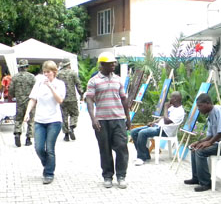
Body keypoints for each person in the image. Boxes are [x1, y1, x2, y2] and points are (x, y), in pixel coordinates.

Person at [85, 52, 131, 189]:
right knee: (105, 149)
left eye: (114, 63)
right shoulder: (93, 81)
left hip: (118, 119)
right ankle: (107, 176)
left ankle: (121, 176)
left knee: (122, 147)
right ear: (102, 65)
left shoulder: (118, 79)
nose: (114, 65)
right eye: (111, 63)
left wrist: (128, 118)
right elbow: (89, 99)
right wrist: (93, 119)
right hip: (102, 121)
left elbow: (124, 99)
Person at [23, 61, 66, 184]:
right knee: (39, 147)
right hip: (40, 120)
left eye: (48, 72)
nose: (46, 74)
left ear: (54, 72)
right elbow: (33, 99)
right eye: (44, 72)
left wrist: (51, 87)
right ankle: (48, 165)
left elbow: (60, 100)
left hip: (54, 120)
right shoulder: (39, 83)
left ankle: (49, 173)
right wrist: (27, 113)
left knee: (50, 147)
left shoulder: (59, 84)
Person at [183, 93, 221, 192]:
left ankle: (206, 183)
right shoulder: (210, 115)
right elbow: (210, 135)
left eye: (200, 106)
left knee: (200, 152)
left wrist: (209, 143)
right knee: (195, 148)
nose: (198, 109)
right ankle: (196, 178)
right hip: (218, 144)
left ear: (208, 103)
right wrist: (199, 142)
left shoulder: (218, 110)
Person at [130, 91, 185, 165]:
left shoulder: (180, 111)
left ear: (175, 99)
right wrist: (153, 122)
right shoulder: (172, 107)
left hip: (165, 131)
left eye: (171, 97)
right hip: (158, 126)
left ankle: (141, 158)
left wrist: (165, 107)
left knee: (142, 133)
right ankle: (145, 154)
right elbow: (163, 117)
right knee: (133, 132)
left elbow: (166, 121)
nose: (169, 99)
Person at [9, 59, 36, 147]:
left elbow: (11, 90)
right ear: (27, 67)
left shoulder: (15, 77)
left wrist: (13, 95)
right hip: (30, 101)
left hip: (19, 101)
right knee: (31, 120)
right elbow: (36, 89)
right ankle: (28, 139)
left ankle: (17, 133)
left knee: (18, 119)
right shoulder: (32, 77)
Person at [57, 59, 84, 141]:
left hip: (62, 98)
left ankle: (66, 135)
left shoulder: (58, 74)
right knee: (75, 114)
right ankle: (72, 127)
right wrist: (81, 94)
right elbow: (78, 84)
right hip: (72, 98)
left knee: (64, 116)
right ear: (68, 65)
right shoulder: (73, 73)